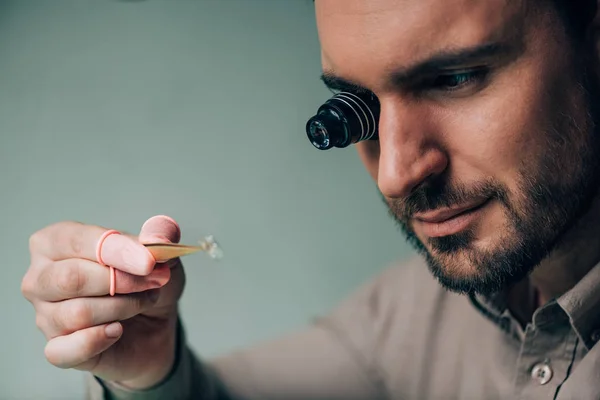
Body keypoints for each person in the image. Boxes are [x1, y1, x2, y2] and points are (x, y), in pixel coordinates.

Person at [21, 0, 600, 398]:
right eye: (356, 108)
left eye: (454, 79)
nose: (396, 173)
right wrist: (146, 370)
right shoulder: (404, 321)